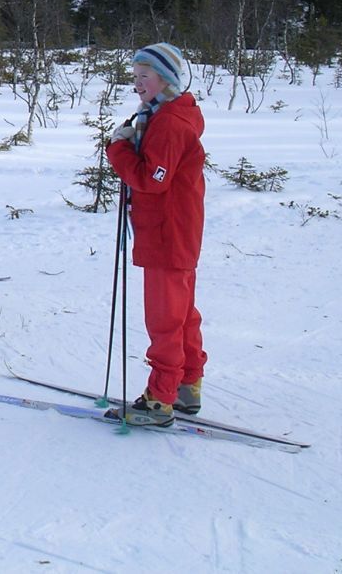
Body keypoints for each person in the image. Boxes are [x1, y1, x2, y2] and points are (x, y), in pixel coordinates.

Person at [106, 42, 207, 427]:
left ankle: (161, 398)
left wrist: (118, 150)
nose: (137, 85)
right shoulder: (166, 114)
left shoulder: (169, 122)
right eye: (134, 77)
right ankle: (186, 385)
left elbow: (152, 178)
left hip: (168, 232)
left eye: (144, 77)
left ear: (166, 78)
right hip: (176, 229)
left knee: (166, 317)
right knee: (182, 314)